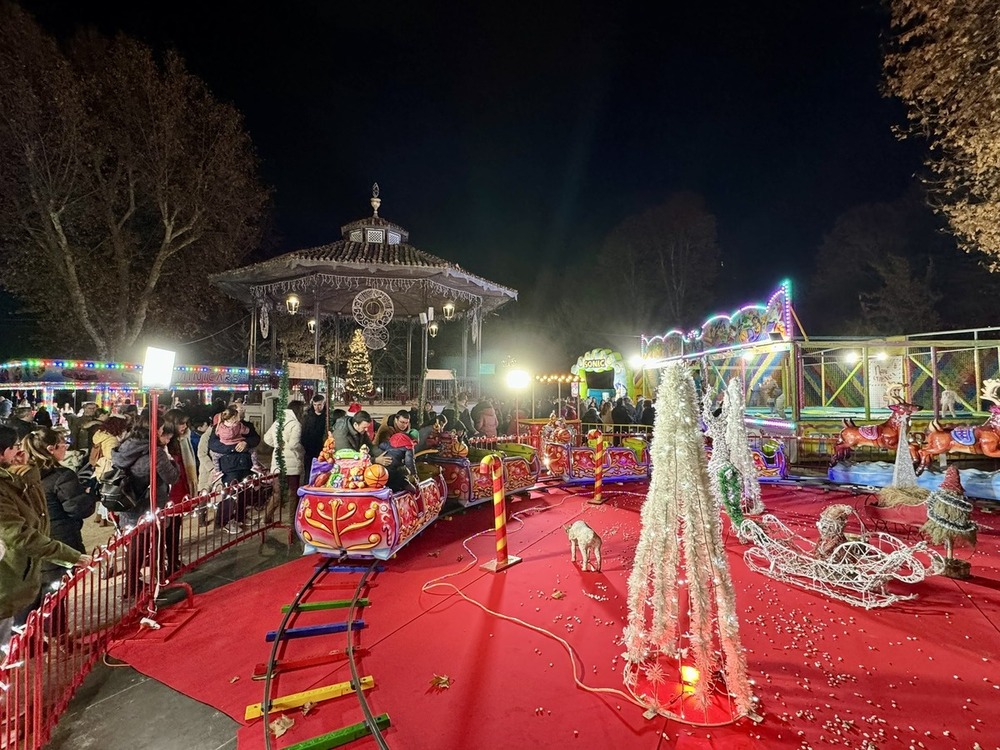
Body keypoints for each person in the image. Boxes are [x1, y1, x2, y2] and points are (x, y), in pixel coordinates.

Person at [0, 425, 91, 651]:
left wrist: (28, 472)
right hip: (16, 565)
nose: (18, 453)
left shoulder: (16, 477)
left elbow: (36, 511)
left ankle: (28, 644)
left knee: (29, 605)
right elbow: (21, 534)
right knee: (44, 601)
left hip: (30, 560)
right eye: (13, 448)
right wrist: (71, 556)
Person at [111, 415, 180, 595]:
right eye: (160, 428)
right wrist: (171, 461)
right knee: (144, 545)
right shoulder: (154, 452)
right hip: (148, 504)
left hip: (129, 501)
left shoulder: (125, 446)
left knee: (135, 545)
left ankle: (133, 582)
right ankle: (138, 584)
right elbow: (172, 476)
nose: (162, 432)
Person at [207, 403, 261, 533]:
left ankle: (241, 516)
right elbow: (213, 444)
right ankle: (225, 520)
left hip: (245, 464)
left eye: (243, 410)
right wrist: (233, 448)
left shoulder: (246, 425)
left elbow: (255, 438)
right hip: (229, 466)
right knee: (230, 493)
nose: (242, 412)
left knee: (244, 491)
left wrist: (246, 443)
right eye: (239, 410)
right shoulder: (219, 427)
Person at [162, 409, 197, 574]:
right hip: (170, 491)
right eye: (180, 423)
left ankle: (174, 559)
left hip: (181, 487)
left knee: (175, 528)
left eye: (185, 423)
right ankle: (169, 562)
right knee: (168, 529)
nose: (184, 426)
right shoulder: (166, 442)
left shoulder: (183, 439)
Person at [262, 400, 305, 521]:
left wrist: (277, 445)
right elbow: (293, 444)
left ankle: (266, 517)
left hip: (277, 461)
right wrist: (302, 450)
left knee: (277, 493)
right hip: (292, 462)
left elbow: (267, 438)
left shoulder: (278, 422)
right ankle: (293, 521)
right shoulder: (295, 424)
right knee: (293, 493)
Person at [90, 415, 130, 527]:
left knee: (105, 493)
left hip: (100, 467)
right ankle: (104, 519)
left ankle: (100, 517)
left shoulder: (101, 434)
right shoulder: (111, 439)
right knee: (109, 494)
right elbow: (111, 455)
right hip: (108, 468)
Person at [300, 395, 328, 477]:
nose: (317, 407)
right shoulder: (308, 415)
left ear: (324, 404)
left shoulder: (327, 416)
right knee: (308, 472)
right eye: (315, 405)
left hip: (323, 448)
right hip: (309, 449)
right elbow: (304, 432)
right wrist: (306, 445)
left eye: (319, 405)